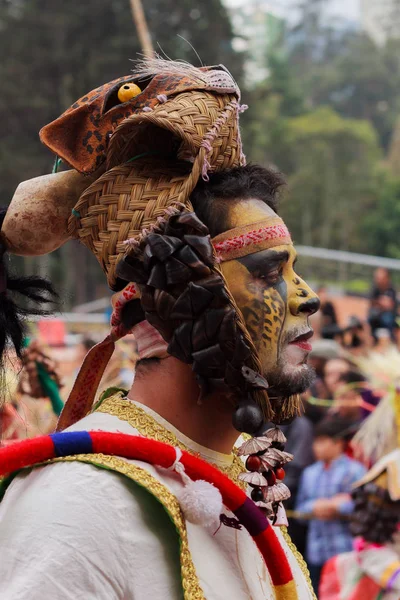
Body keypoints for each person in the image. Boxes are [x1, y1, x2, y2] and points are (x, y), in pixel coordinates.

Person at [0, 59, 320, 599]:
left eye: (295, 269)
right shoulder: (79, 505)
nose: (309, 296)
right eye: (269, 271)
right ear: (173, 301)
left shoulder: (249, 486)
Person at [295, 416, 366, 595]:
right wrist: (315, 507)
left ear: (338, 443)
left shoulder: (356, 471)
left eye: (322, 441)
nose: (316, 447)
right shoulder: (309, 473)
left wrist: (339, 507)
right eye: (316, 442)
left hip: (346, 551)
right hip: (317, 553)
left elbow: (364, 509)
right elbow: (299, 510)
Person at [368, 267, 397, 339]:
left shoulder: (391, 289)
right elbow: (371, 302)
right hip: (377, 313)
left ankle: (390, 339)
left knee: (388, 319)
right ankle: (373, 339)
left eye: (380, 278)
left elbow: (391, 306)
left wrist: (380, 303)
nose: (378, 280)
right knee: (371, 317)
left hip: (389, 315)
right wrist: (381, 303)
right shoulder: (375, 289)